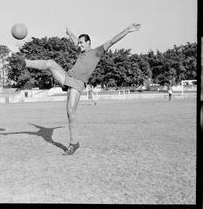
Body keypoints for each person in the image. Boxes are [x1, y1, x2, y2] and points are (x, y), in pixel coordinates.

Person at [16, 23, 141, 155]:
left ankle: (74, 143)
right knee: (50, 63)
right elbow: (75, 39)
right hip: (67, 78)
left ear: (88, 42)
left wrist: (127, 30)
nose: (79, 45)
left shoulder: (97, 52)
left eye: (81, 43)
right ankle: (25, 62)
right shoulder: (81, 50)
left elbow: (112, 41)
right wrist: (69, 33)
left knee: (70, 112)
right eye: (79, 43)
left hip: (78, 83)